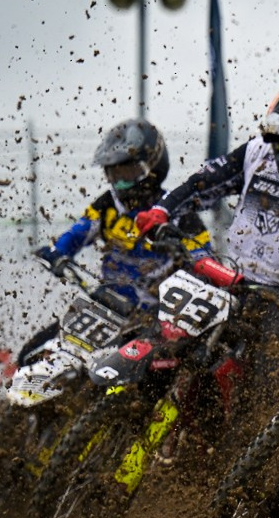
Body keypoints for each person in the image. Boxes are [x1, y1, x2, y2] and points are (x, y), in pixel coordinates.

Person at [136, 71, 279, 340]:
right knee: (160, 332)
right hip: (228, 280)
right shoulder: (257, 152)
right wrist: (162, 210)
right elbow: (202, 183)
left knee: (266, 370)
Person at [28, 119, 211, 353]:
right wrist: (57, 252)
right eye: (114, 174)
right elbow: (78, 233)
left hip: (153, 319)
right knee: (33, 352)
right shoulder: (107, 205)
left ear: (153, 167)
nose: (121, 182)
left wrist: (186, 257)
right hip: (105, 305)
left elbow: (206, 263)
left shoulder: (179, 213)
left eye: (128, 172)